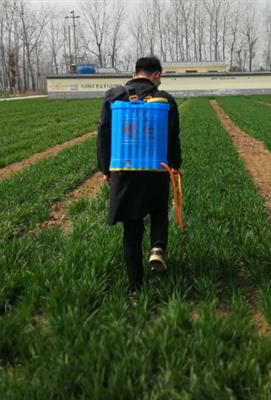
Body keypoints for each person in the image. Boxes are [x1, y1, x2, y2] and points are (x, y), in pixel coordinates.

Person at [97, 56, 182, 294]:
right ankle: (157, 248)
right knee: (157, 212)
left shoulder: (115, 96)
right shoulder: (165, 99)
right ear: (155, 75)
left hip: (125, 169)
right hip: (156, 168)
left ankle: (135, 287)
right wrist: (175, 165)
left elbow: (104, 133)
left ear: (135, 73)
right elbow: (172, 136)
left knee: (132, 229)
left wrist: (106, 169)